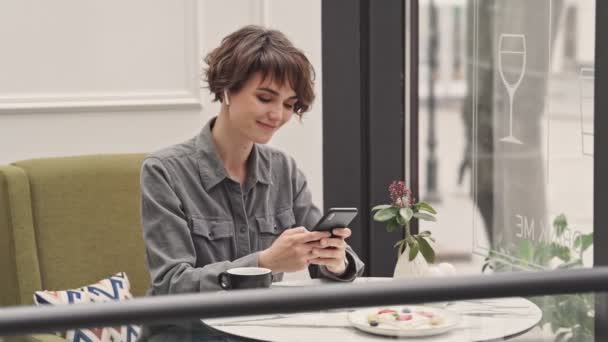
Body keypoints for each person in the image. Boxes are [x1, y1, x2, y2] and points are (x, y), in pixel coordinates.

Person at [140, 25, 365, 301]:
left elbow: (330, 261)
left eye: (288, 104)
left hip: (260, 327)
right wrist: (263, 263)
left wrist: (336, 262)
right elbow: (171, 285)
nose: (277, 114)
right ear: (226, 90)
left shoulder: (285, 170)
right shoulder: (164, 171)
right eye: (265, 98)